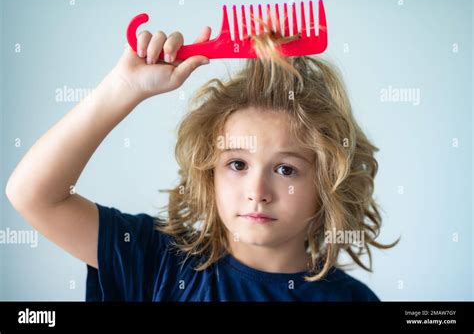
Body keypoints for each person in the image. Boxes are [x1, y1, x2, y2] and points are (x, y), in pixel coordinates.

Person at [6, 25, 398, 301]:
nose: (257, 193)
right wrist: (122, 90)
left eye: (285, 169)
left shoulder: (354, 301)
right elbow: (34, 195)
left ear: (327, 183)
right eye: (237, 165)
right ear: (209, 173)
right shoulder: (154, 262)